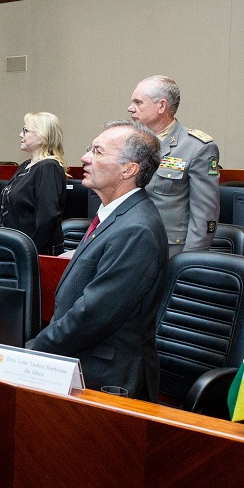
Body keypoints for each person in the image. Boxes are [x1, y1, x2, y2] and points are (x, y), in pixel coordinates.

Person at [27, 121, 168, 401]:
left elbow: (92, 315)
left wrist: (31, 351)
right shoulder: (115, 216)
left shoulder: (136, 229)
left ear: (129, 169)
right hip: (81, 362)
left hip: (106, 381)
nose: (85, 158)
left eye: (98, 152)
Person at [128, 75, 219, 255]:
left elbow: (204, 215)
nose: (130, 108)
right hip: (128, 243)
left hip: (168, 250)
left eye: (138, 103)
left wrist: (189, 262)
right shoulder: (128, 142)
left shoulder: (197, 147)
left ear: (161, 106)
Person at [0, 112, 69, 255]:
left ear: (42, 137)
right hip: (17, 247)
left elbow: (47, 218)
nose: (20, 134)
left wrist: (28, 252)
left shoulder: (49, 167)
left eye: (26, 130)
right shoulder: (26, 165)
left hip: (36, 252)